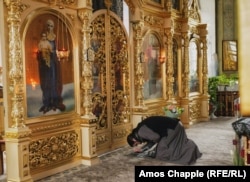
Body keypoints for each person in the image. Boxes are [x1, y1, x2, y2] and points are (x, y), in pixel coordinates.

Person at [127, 116, 202, 165]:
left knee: (161, 152)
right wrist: (144, 148)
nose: (138, 144)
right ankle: (192, 149)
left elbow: (156, 138)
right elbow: (153, 139)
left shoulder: (140, 132)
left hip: (172, 129)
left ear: (133, 139)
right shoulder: (139, 128)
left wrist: (143, 148)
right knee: (178, 145)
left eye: (136, 144)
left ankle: (186, 154)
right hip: (177, 125)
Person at [37, 19, 65, 114]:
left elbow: (58, 51)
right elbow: (40, 48)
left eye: (51, 26)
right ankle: (47, 103)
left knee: (53, 82)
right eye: (48, 25)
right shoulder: (43, 37)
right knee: (46, 83)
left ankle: (55, 102)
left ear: (53, 27)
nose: (49, 27)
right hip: (45, 64)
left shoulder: (55, 38)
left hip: (53, 64)